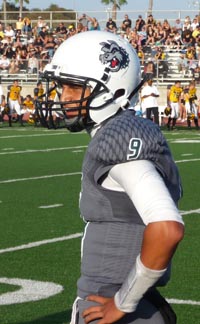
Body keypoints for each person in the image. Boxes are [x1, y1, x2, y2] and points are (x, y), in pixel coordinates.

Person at [36, 31, 184, 324]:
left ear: (112, 89)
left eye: (73, 87)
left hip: (117, 308)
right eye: (61, 86)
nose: (63, 97)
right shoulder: (115, 130)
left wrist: (123, 302)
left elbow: (167, 228)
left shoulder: (118, 136)